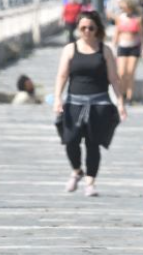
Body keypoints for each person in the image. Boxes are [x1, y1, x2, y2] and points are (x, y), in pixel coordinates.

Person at [53, 11, 127, 198]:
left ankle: (90, 182)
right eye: (83, 28)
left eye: (91, 28)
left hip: (99, 102)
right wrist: (57, 98)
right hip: (74, 101)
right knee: (71, 140)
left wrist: (120, 102)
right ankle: (77, 170)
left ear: (97, 29)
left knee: (93, 144)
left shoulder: (105, 50)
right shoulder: (70, 49)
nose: (87, 31)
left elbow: (114, 79)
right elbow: (62, 75)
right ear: (78, 29)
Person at [115, 0, 143, 105]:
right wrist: (112, 47)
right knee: (121, 73)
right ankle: (122, 94)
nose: (123, 9)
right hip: (122, 46)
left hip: (134, 47)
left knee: (130, 72)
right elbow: (117, 33)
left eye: (125, 7)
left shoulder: (138, 19)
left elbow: (141, 35)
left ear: (130, 7)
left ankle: (129, 97)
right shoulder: (120, 18)